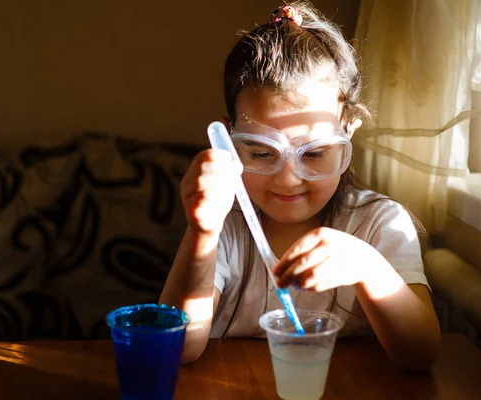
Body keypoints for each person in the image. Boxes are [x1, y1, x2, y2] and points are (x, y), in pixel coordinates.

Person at [159, 1, 441, 372]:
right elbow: (176, 348)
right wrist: (202, 232)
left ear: (348, 131)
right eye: (261, 153)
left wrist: (367, 267)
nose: (288, 178)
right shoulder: (226, 226)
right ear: (228, 142)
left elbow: (420, 354)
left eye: (314, 154)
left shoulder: (380, 225)